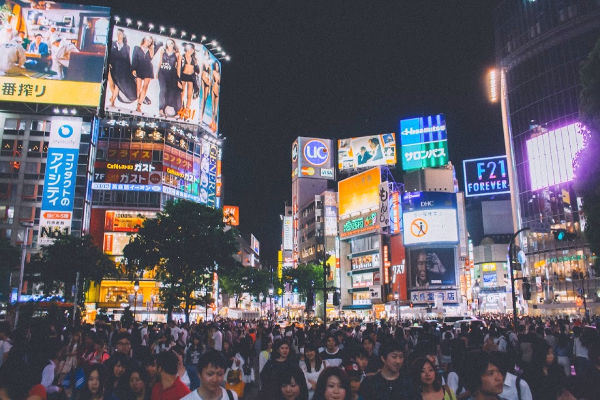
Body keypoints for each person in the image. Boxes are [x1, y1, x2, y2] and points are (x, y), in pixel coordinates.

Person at [108, 29, 136, 106]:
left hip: (121, 70)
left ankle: (112, 101)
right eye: (118, 33)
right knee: (111, 83)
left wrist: (131, 70)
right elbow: (109, 54)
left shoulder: (127, 47)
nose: (118, 35)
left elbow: (127, 59)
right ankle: (113, 97)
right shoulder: (112, 43)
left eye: (120, 33)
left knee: (117, 85)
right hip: (112, 66)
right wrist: (109, 63)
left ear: (123, 35)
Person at [157, 38, 181, 117]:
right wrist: (157, 72)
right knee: (163, 89)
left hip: (172, 74)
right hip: (162, 73)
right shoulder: (162, 51)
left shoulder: (177, 54)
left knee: (170, 92)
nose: (169, 45)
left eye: (171, 43)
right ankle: (160, 109)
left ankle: (166, 110)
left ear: (174, 44)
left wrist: (178, 79)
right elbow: (160, 61)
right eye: (168, 43)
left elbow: (178, 67)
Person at [131, 35, 155, 112]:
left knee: (145, 87)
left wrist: (152, 49)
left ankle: (139, 105)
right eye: (148, 40)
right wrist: (133, 69)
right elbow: (134, 58)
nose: (148, 42)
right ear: (144, 39)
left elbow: (151, 57)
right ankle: (139, 101)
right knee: (138, 88)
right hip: (139, 68)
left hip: (148, 69)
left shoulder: (150, 49)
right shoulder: (137, 48)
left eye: (150, 41)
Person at [179, 43, 199, 118]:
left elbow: (197, 70)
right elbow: (179, 66)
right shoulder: (182, 56)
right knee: (182, 94)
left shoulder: (194, 59)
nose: (191, 50)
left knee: (189, 95)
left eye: (192, 49)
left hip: (191, 77)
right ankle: (181, 109)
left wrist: (196, 65)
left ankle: (187, 111)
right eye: (190, 49)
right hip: (183, 76)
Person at [209, 61, 220, 132]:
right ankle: (212, 123)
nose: (217, 67)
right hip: (214, 89)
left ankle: (214, 124)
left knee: (216, 111)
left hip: (218, 91)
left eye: (218, 66)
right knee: (213, 109)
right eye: (216, 65)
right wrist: (209, 91)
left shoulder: (219, 74)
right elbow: (211, 81)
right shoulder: (213, 72)